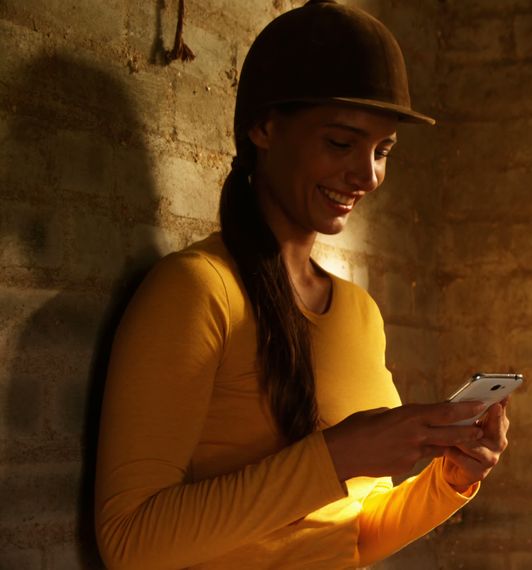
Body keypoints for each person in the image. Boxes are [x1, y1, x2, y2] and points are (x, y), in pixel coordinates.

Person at [93, 1, 510, 567]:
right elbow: (129, 540)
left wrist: (451, 478)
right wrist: (337, 455)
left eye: (382, 151)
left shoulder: (358, 313)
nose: (367, 175)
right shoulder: (197, 291)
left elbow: (353, 534)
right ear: (264, 127)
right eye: (341, 143)